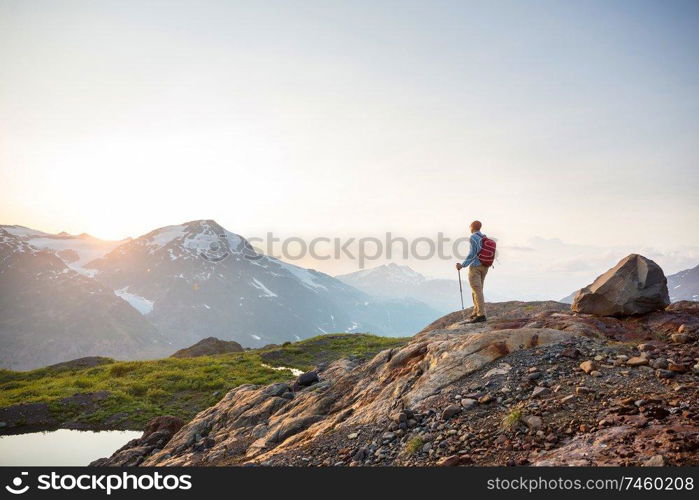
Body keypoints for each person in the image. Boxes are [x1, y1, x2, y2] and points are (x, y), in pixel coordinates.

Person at [456, 220, 488, 323]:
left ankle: (481, 315)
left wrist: (463, 265)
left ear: (472, 227)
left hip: (475, 267)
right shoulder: (484, 237)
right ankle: (476, 311)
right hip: (485, 266)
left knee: (477, 290)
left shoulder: (473, 237)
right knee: (478, 289)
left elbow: (473, 253)